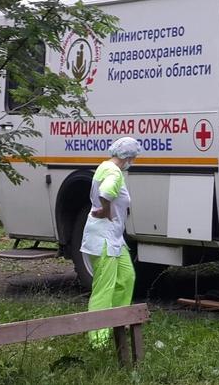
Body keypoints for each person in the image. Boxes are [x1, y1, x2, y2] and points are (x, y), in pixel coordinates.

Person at [80, 136, 140, 347]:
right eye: (133, 158)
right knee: (104, 288)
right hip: (103, 238)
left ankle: (118, 323)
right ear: (128, 157)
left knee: (126, 277)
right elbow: (106, 191)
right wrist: (105, 208)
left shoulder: (104, 166)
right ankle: (98, 339)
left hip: (114, 238)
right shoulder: (114, 172)